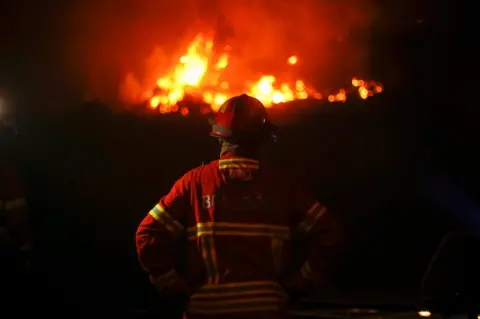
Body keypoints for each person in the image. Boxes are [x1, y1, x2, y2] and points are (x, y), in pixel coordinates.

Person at [136, 94, 345, 318]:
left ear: (219, 136)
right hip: (266, 310)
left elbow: (147, 234)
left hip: (206, 311)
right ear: (264, 139)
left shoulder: (193, 183)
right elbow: (330, 235)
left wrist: (171, 285)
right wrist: (301, 282)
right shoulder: (283, 186)